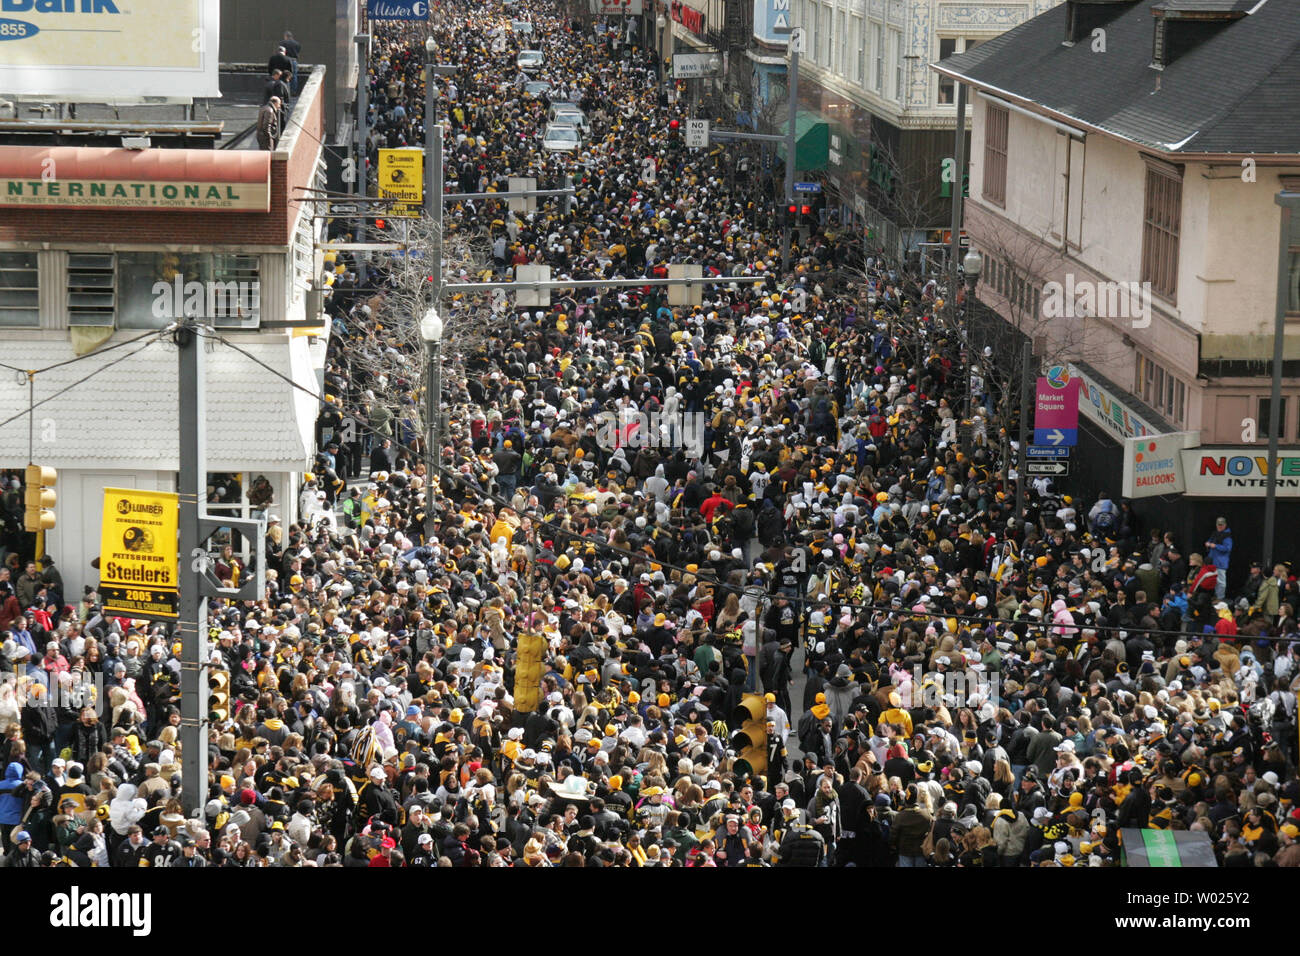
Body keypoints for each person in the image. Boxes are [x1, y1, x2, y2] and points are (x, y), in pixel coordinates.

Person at [1205, 516, 1232, 601]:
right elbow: (1210, 541)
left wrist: (1215, 546)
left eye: (1221, 525)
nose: (1220, 526)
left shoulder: (1227, 536)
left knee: (1221, 582)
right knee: (1213, 581)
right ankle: (1216, 597)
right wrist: (1208, 543)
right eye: (1218, 525)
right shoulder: (1215, 534)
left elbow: (1228, 548)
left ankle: (1220, 598)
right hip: (1212, 562)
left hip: (1220, 563)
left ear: (1225, 525)